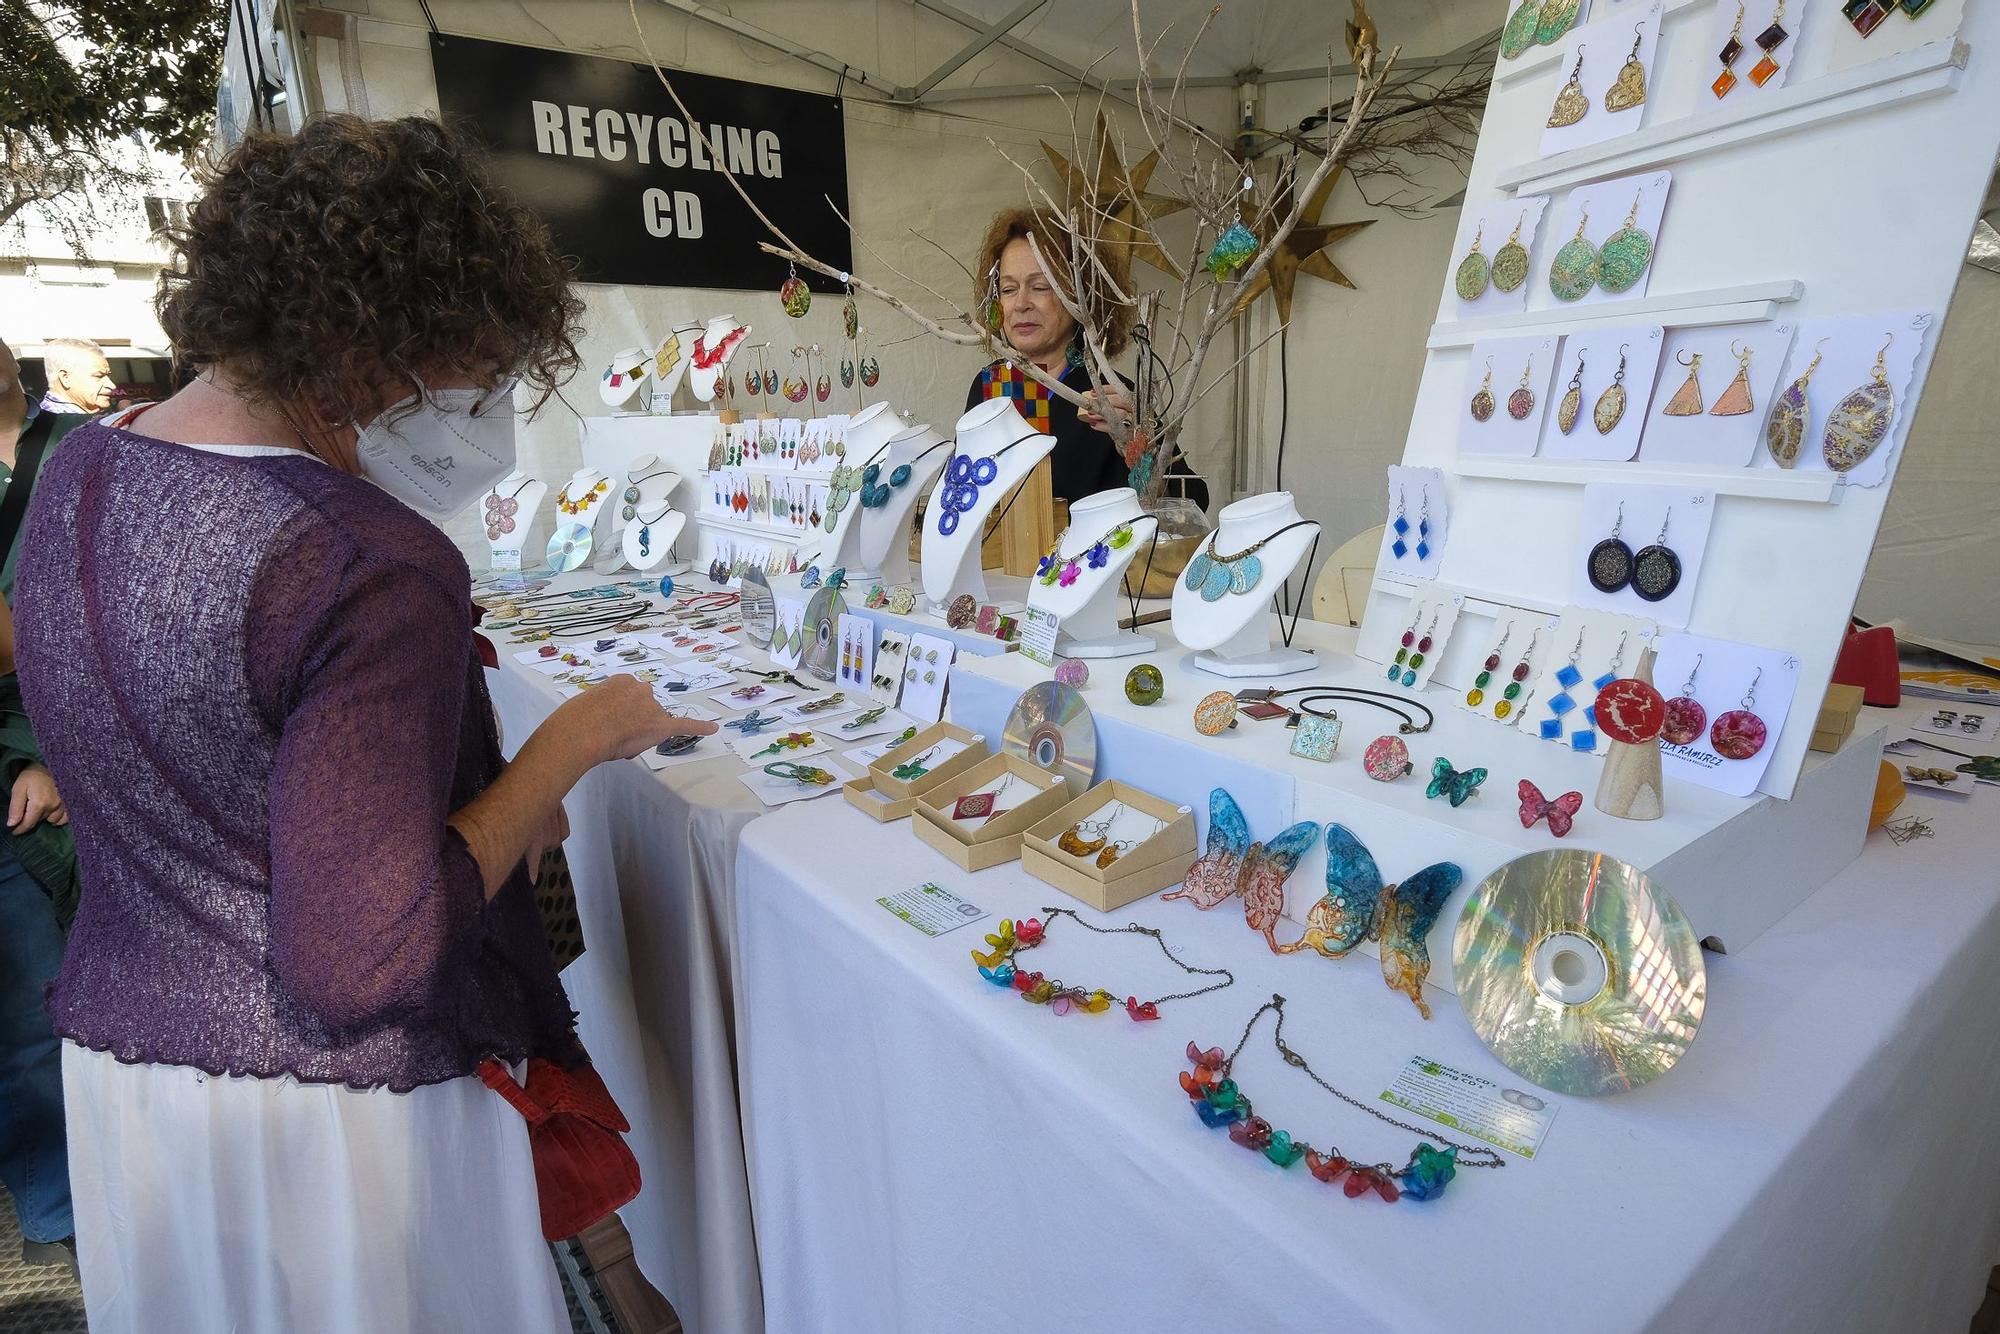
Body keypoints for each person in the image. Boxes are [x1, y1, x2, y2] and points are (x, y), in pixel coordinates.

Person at [13, 114, 712, 1333]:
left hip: (134, 1084)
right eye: (468, 377)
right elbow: (360, 958)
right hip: (327, 1135)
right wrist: (563, 750)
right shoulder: (365, 558)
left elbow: (192, 748)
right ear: (370, 345)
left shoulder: (88, 464)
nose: (477, 417)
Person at [0, 342, 81, 1269]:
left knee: (36, 1017)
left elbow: (77, 639)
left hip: (36, 782)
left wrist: (48, 755)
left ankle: (70, 1214)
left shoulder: (77, 454)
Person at [965, 207, 1207, 511]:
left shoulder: (1115, 397)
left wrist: (1142, 450)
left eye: (1040, 287)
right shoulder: (991, 386)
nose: (1021, 304)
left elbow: (1193, 500)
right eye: (1008, 289)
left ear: (1082, 295)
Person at [37, 338, 113, 415]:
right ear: (65, 378)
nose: (112, 386)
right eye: (98, 376)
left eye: (108, 376)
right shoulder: (52, 423)